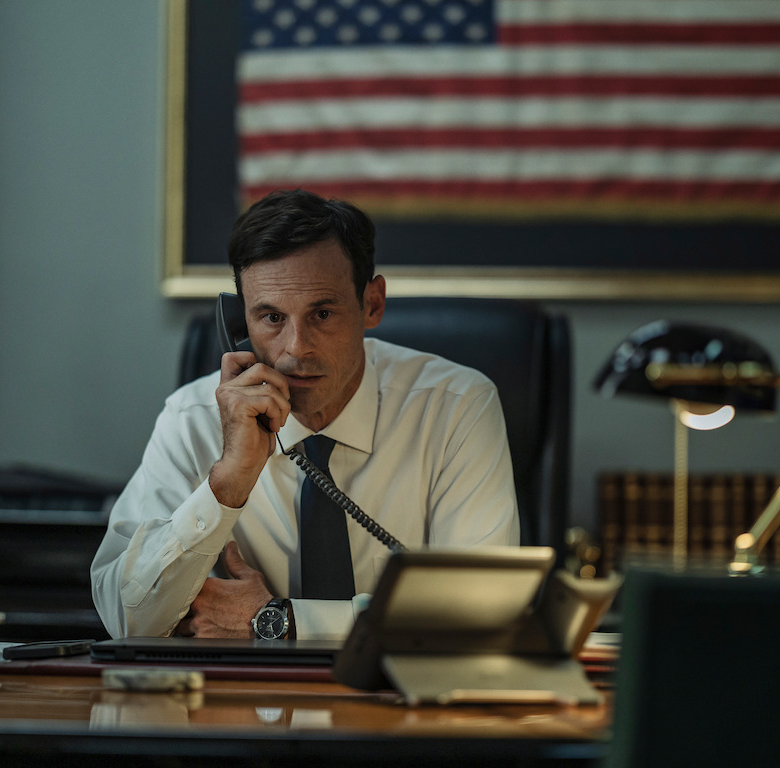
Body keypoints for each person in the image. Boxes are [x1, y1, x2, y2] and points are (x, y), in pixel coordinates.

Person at [91, 189, 519, 641]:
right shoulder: (190, 419)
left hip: (398, 701)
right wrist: (228, 481)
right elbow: (126, 621)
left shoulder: (455, 406)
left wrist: (281, 620)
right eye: (271, 317)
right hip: (235, 706)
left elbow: (483, 611)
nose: (296, 348)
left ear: (372, 304)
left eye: (323, 312)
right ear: (239, 324)